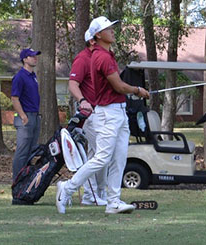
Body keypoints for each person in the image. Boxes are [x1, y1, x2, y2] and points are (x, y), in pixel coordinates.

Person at [56, 17, 149, 214]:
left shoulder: (106, 54)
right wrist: (138, 90)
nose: (113, 31)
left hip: (119, 112)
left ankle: (113, 201)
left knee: (119, 159)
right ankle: (68, 188)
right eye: (108, 28)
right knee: (102, 158)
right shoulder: (102, 57)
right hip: (107, 113)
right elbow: (119, 86)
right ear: (97, 35)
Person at [67, 31, 107, 206]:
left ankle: (99, 194)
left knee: (101, 153)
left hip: (104, 114)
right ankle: (90, 195)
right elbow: (72, 83)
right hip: (90, 115)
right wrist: (82, 101)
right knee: (101, 153)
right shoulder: (83, 58)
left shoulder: (101, 58)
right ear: (92, 40)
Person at [11, 48, 41, 201]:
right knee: (22, 151)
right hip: (25, 117)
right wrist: (23, 116)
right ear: (24, 59)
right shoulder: (20, 77)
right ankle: (16, 182)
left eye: (35, 56)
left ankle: (26, 181)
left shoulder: (33, 76)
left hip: (35, 116)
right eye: (32, 56)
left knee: (31, 150)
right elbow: (14, 98)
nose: (35, 58)